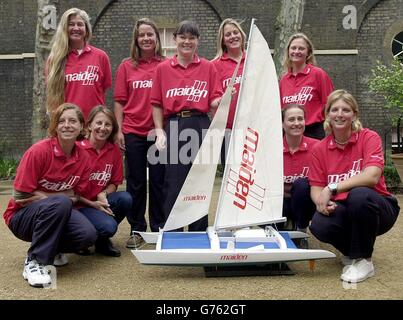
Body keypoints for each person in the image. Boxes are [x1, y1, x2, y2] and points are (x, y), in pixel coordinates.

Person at [308, 89, 400, 283]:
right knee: (318, 224)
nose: (340, 114)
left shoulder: (369, 137)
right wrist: (321, 203)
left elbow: (372, 176)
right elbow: (316, 188)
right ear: (327, 115)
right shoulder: (319, 149)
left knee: (359, 195)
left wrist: (332, 188)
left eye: (346, 110)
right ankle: (352, 252)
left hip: (377, 206)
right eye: (334, 109)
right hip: (344, 209)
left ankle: (364, 260)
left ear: (354, 115)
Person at [3, 103, 97, 288]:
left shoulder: (84, 157)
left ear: (81, 127)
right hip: (21, 216)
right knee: (61, 202)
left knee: (88, 235)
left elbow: (77, 194)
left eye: (72, 121)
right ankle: (35, 261)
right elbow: (21, 195)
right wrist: (57, 198)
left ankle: (52, 249)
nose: (67, 125)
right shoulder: (39, 151)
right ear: (55, 126)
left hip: (55, 211)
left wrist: (53, 198)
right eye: (61, 121)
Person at [151, 20, 222, 231]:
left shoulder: (208, 67)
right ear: (175, 40)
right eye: (182, 37)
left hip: (201, 124)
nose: (187, 41)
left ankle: (198, 232)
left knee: (199, 181)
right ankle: (172, 231)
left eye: (192, 38)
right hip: (174, 124)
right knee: (174, 182)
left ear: (197, 41)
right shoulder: (163, 68)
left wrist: (220, 101)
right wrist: (159, 131)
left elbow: (214, 100)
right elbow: (156, 103)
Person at [114, 18, 165, 248]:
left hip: (158, 134)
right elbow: (119, 101)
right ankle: (137, 229)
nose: (146, 38)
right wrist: (119, 130)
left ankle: (159, 228)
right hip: (133, 132)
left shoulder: (165, 65)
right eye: (142, 35)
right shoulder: (126, 66)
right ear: (136, 39)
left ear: (157, 38)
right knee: (135, 183)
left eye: (150, 34)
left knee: (158, 181)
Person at [77, 106, 132, 257]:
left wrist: (103, 194)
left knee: (125, 199)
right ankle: (81, 239)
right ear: (89, 125)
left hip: (100, 202)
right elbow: (70, 190)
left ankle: (102, 241)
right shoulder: (77, 149)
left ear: (113, 128)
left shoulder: (113, 150)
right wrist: (92, 203)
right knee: (108, 226)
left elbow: (114, 182)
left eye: (107, 124)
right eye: (98, 123)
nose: (103, 128)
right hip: (79, 205)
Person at [46, 8, 112, 119]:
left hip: (94, 124)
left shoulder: (101, 56)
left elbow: (103, 89)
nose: (76, 28)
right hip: (69, 125)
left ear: (86, 29)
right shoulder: (54, 60)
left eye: (80, 24)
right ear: (64, 28)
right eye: (71, 24)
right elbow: (52, 95)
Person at [279, 33, 334, 140]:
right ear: (288, 52)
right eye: (293, 48)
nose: (296, 51)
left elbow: (330, 104)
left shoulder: (318, 74)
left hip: (313, 132)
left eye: (301, 48)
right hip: (290, 133)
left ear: (308, 53)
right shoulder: (284, 79)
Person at [211, 18, 246, 165]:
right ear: (223, 40)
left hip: (252, 129)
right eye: (228, 34)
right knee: (230, 177)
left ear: (242, 35)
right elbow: (212, 102)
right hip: (227, 130)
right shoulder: (214, 65)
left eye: (235, 32)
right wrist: (222, 100)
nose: (233, 36)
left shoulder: (253, 59)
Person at [282, 104, 318, 237]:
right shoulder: (272, 148)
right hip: (281, 202)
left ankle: (301, 230)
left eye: (300, 119)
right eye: (291, 119)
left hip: (307, 203)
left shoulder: (318, 147)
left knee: (302, 184)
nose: (296, 123)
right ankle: (285, 225)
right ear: (282, 124)